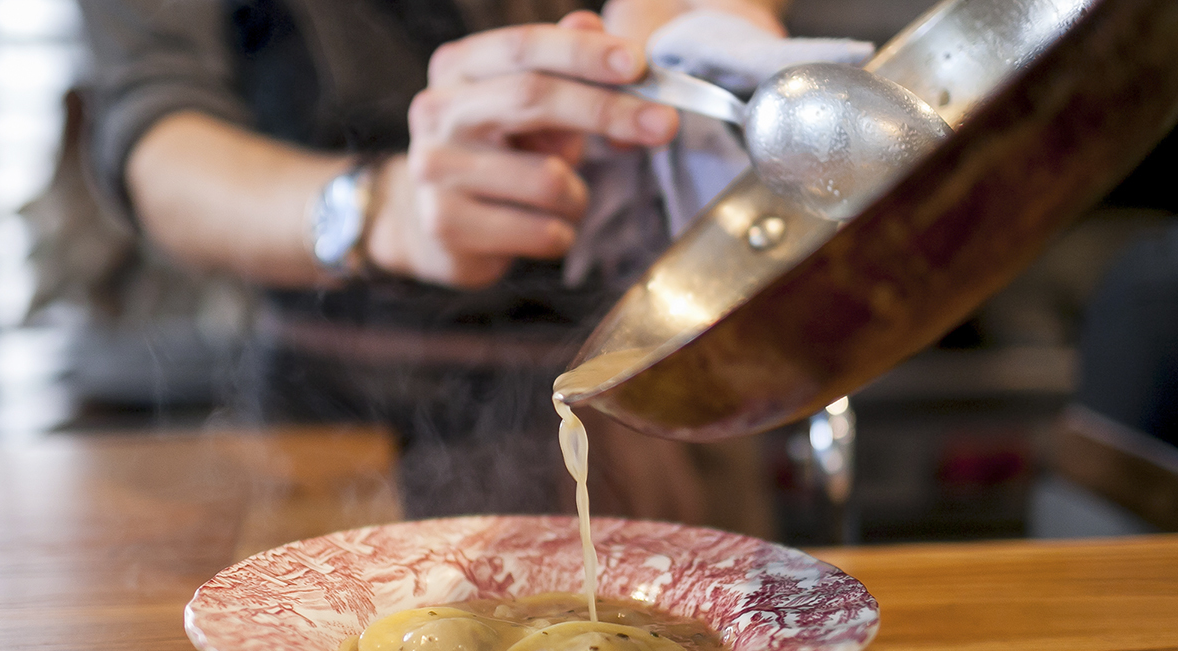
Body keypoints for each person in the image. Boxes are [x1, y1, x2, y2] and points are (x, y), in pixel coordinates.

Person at [75, 0, 786, 528]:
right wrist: (382, 210)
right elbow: (157, 136)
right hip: (336, 427)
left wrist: (691, 35)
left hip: (652, 390)